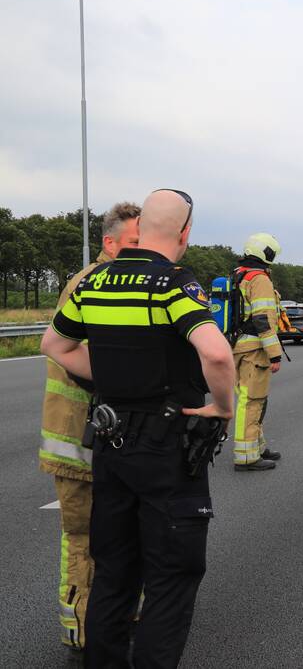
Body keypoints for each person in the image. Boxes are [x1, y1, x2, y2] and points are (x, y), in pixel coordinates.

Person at [40, 188, 236, 668]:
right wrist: (223, 407)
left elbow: (55, 345)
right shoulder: (171, 283)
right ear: (184, 232)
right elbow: (215, 352)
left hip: (110, 442)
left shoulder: (96, 283)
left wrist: (110, 373)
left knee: (113, 572)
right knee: (171, 574)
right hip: (164, 444)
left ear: (143, 225)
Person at [39, 202, 140, 654]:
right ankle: (80, 629)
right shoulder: (91, 284)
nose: (144, 252)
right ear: (110, 243)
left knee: (122, 531)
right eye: (135, 243)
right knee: (84, 536)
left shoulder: (124, 282)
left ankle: (117, 616)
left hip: (107, 434)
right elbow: (68, 351)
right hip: (79, 439)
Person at [231, 233, 283, 470]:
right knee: (252, 400)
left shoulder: (238, 274)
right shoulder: (259, 279)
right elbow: (263, 319)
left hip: (236, 345)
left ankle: (257, 447)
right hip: (254, 348)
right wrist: (274, 353)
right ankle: (246, 457)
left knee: (252, 399)